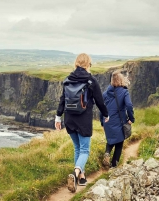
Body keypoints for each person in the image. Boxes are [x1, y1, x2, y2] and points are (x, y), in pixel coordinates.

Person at [55, 53, 109, 193]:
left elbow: (63, 99)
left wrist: (58, 117)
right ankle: (75, 173)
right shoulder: (91, 81)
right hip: (83, 119)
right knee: (85, 150)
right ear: (88, 64)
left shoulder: (68, 79)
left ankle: (81, 177)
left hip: (69, 118)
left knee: (77, 148)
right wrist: (106, 114)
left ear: (76, 63)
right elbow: (99, 101)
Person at [100, 70, 135, 168]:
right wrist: (131, 118)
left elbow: (101, 109)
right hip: (120, 121)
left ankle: (107, 153)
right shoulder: (124, 92)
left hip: (107, 121)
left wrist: (102, 122)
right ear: (120, 80)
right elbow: (129, 105)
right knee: (119, 142)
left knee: (111, 139)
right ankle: (114, 165)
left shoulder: (105, 94)